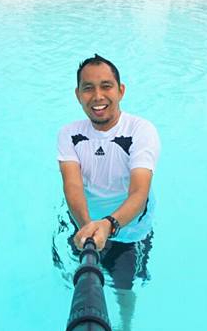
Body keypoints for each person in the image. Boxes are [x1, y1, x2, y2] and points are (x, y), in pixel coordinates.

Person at [56, 54, 160, 290]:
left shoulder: (141, 130)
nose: (97, 96)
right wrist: (88, 229)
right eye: (88, 88)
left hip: (129, 229)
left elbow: (139, 192)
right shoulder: (69, 133)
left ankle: (126, 327)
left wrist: (109, 225)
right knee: (71, 275)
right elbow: (72, 185)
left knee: (124, 286)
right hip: (82, 220)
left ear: (120, 91)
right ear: (78, 95)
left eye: (106, 86)